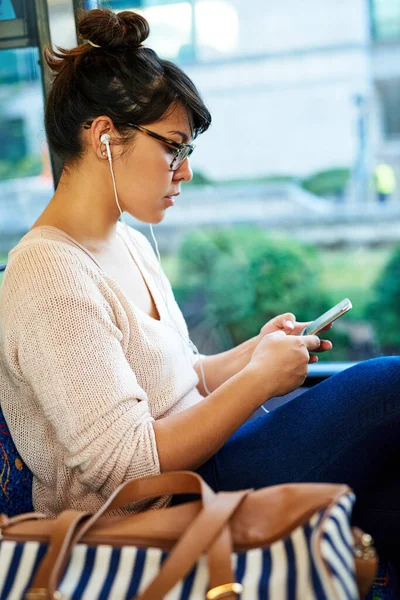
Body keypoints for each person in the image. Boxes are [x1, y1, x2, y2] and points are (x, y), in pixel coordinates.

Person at [0, 8, 400, 574]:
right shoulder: (47, 277)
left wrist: (252, 354)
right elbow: (130, 471)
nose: (184, 171)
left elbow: (184, 378)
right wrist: (261, 378)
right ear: (105, 137)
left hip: (208, 468)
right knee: (389, 385)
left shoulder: (129, 242)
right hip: (158, 512)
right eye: (173, 147)